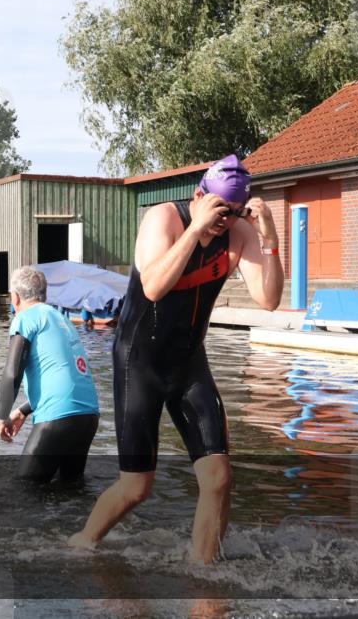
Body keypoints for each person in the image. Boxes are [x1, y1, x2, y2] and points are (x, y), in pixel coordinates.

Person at [68, 154, 283, 563]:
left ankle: (204, 571)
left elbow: (269, 300)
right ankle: (84, 541)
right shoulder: (163, 218)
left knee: (219, 477)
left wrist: (269, 237)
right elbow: (153, 286)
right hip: (139, 362)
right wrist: (195, 229)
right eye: (219, 210)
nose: (224, 221)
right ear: (199, 196)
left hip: (188, 363)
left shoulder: (238, 234)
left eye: (234, 212)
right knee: (137, 487)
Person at [0, 266, 100, 483]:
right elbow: (63, 374)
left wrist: (2, 416)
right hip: (88, 416)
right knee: (70, 489)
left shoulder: (25, 318)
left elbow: (12, 373)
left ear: (15, 297)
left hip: (58, 416)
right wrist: (23, 411)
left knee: (24, 490)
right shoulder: (62, 320)